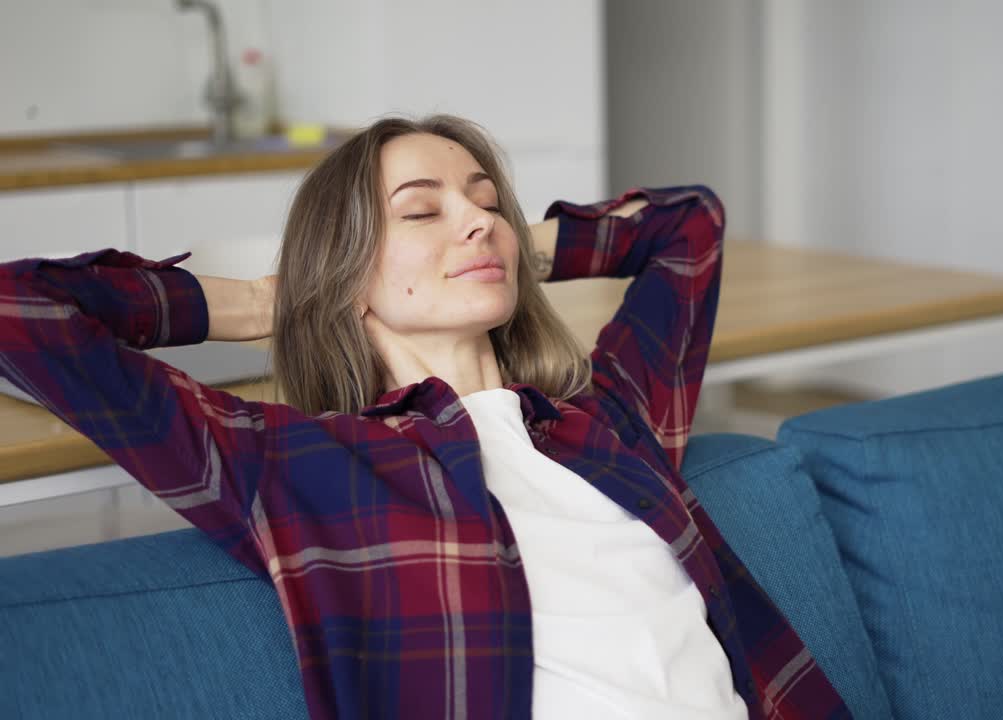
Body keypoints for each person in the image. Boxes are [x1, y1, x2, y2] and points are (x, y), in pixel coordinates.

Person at [0, 114, 850, 719]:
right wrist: (275, 297)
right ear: (341, 270)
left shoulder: (612, 417)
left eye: (487, 201)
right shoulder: (300, 466)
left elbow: (686, 228)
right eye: (420, 210)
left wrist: (507, 240)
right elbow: (17, 309)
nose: (477, 217)